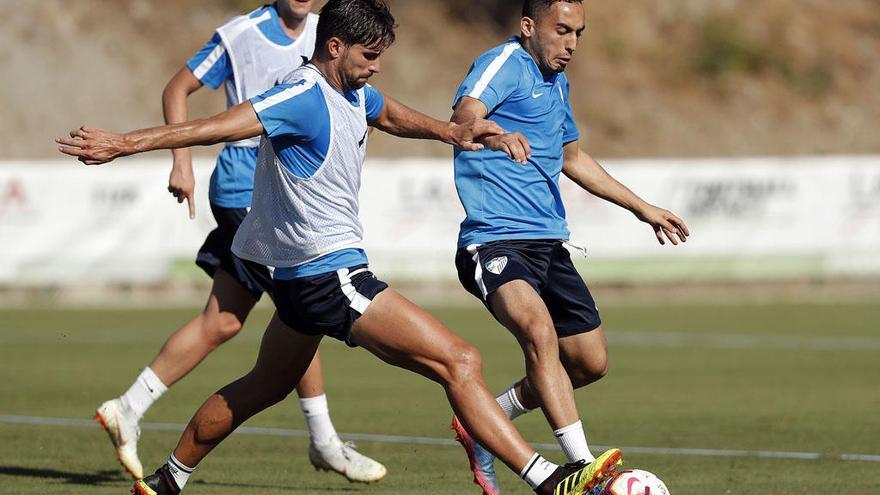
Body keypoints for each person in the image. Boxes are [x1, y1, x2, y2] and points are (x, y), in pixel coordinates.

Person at [58, 2, 625, 495]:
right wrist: (126, 143)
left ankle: (166, 480)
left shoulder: (354, 89)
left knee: (262, 386)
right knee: (462, 360)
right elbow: (216, 125)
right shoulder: (300, 95)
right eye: (369, 55)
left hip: (297, 283)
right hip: (328, 276)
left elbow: (392, 113)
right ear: (336, 46)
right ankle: (551, 479)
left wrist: (451, 133)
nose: (376, 67)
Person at [92, 0, 386, 484]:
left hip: (288, 191)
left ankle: (128, 406)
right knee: (304, 304)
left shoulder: (329, 34)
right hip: (245, 190)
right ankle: (325, 441)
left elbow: (372, 104)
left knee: (222, 320)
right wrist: (180, 162)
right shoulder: (241, 33)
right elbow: (178, 88)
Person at [446, 1, 690, 493]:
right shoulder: (503, 64)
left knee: (588, 362)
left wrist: (642, 207)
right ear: (529, 26)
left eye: (578, 32)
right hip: (493, 239)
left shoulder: (558, 83)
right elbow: (464, 114)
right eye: (562, 30)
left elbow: (573, 157)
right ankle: (581, 468)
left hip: (548, 244)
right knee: (538, 331)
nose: (572, 43)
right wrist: (491, 133)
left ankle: (484, 421)